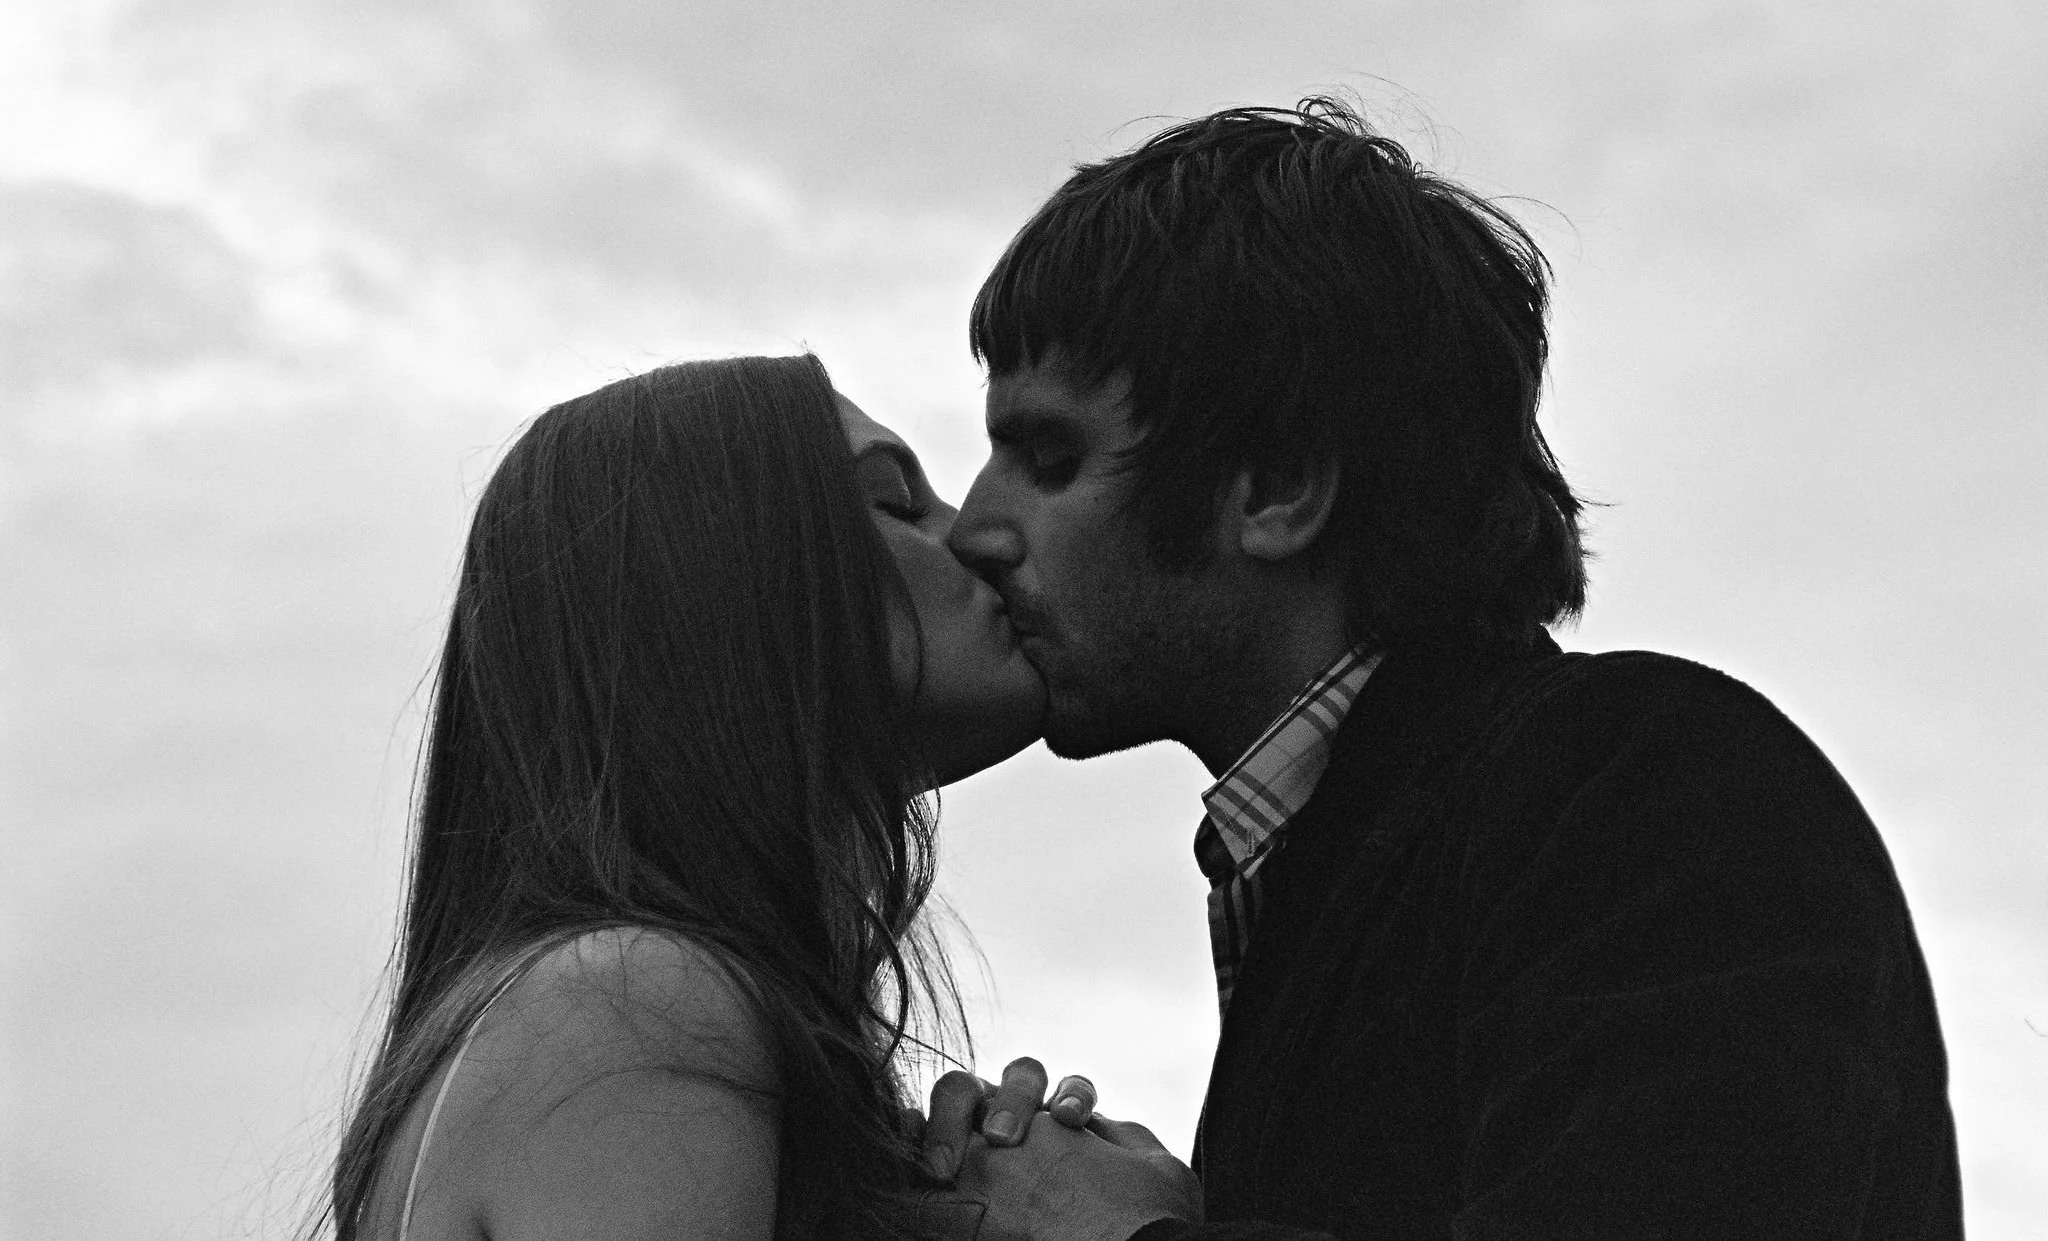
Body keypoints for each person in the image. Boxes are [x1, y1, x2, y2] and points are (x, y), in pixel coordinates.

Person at [924, 99, 1963, 1240]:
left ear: (1275, 488)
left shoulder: (1647, 786)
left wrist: (1121, 1236)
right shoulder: (1348, 878)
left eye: (1049, 457)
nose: (974, 524)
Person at [318, 353, 1152, 1241]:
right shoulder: (630, 1004)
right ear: (718, 577)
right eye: (894, 500)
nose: (974, 536)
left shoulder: (596, 1008)